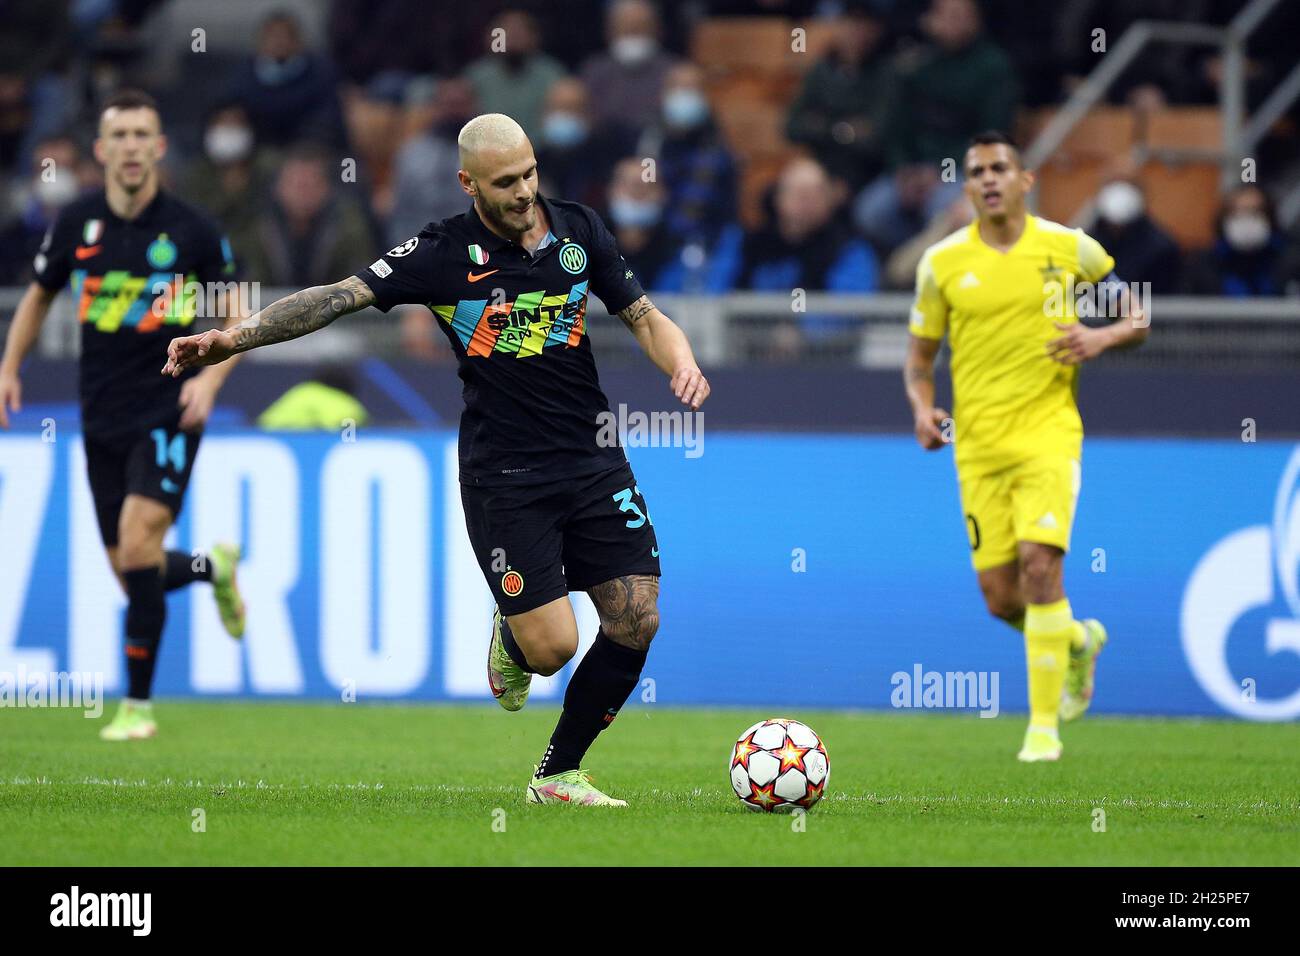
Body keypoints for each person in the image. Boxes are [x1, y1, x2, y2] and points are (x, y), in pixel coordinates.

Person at [161, 113, 711, 807]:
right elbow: (335, 299)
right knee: (551, 650)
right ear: (468, 182)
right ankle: (513, 635)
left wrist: (680, 358)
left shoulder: (578, 231)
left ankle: (558, 774)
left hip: (594, 458)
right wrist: (232, 340)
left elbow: (643, 316)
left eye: (530, 174)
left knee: (637, 617)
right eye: (505, 182)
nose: (523, 193)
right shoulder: (442, 252)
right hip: (503, 474)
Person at [0, 90, 247, 741]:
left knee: (139, 542)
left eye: (144, 134)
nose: (133, 146)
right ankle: (210, 568)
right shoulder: (78, 222)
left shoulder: (193, 229)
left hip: (169, 406)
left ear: (159, 148)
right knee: (131, 569)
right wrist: (7, 367)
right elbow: (38, 297)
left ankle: (136, 708)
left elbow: (239, 310)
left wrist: (213, 379)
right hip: (100, 412)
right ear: (103, 151)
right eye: (122, 135)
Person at [903, 131, 1149, 763]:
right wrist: (922, 409)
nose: (988, 179)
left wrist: (1101, 338)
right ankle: (1076, 641)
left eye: (999, 169)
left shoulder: (1071, 248)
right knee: (1002, 598)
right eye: (977, 171)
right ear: (969, 186)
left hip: (1048, 434)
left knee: (1043, 567)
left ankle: (1042, 731)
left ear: (1024, 180)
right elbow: (919, 361)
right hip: (978, 447)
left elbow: (1138, 316)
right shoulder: (943, 263)